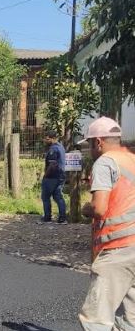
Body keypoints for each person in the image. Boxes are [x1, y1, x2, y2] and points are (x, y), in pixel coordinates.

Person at [78, 117, 135, 330]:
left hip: (118, 249)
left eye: (90, 145)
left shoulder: (105, 162)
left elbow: (99, 208)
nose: (90, 150)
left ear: (98, 142)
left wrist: (86, 209)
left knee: (96, 318)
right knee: (129, 320)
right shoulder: (132, 160)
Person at [41, 130, 67, 224]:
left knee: (45, 197)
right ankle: (62, 218)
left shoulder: (53, 149)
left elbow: (52, 165)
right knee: (58, 196)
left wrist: (45, 175)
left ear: (52, 138)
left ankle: (47, 217)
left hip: (52, 177)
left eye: (46, 138)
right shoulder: (61, 147)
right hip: (60, 175)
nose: (45, 140)